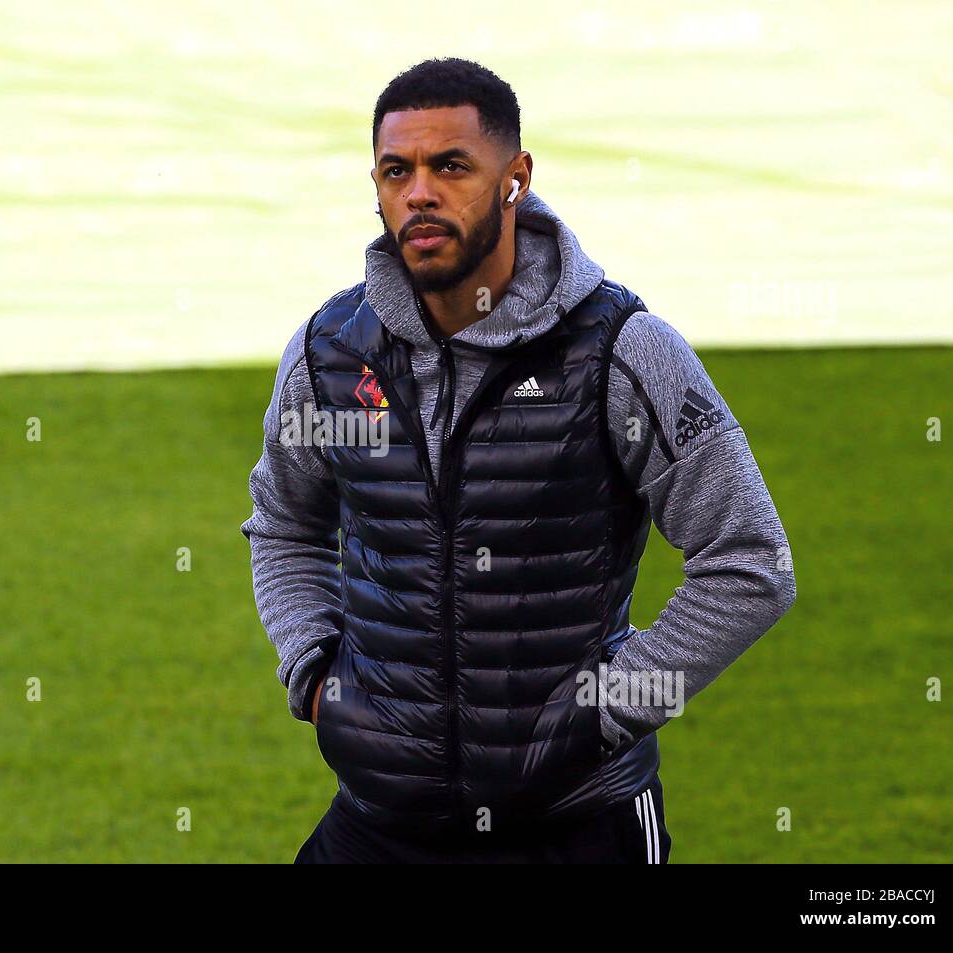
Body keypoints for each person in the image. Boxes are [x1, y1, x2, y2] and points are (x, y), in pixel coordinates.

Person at [241, 57, 795, 863]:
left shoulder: (621, 352)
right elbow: (285, 522)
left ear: (517, 177)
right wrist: (317, 675)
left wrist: (608, 711)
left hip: (574, 823)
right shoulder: (330, 354)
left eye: (451, 166)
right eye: (398, 171)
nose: (420, 193)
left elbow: (751, 560)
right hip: (382, 819)